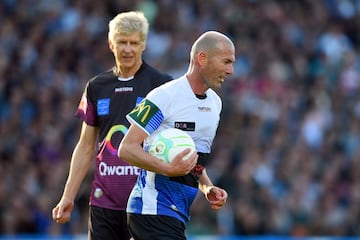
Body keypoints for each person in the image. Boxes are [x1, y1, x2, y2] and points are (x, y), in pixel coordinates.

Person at [51, 11, 172, 239]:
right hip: (103, 203)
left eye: (134, 43)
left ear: (144, 44)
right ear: (110, 43)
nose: (127, 49)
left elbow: (175, 140)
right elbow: (86, 145)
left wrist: (203, 185)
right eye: (121, 42)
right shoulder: (96, 87)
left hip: (144, 204)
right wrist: (68, 196)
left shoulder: (161, 85)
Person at [118, 30, 235, 240]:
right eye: (226, 62)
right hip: (152, 209)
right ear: (202, 58)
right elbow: (127, 148)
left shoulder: (215, 104)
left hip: (176, 214)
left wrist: (207, 187)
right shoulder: (164, 97)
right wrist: (166, 168)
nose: (231, 70)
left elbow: (193, 162)